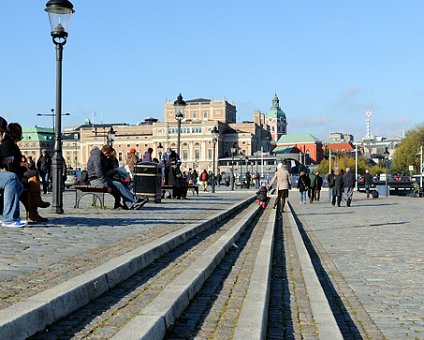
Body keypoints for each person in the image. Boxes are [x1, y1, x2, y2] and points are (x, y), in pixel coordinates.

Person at [1, 122, 50, 222]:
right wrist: (22, 167)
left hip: (14, 172)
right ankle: (34, 208)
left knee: (31, 180)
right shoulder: (8, 144)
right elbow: (8, 163)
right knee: (33, 175)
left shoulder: (11, 144)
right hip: (12, 173)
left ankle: (34, 210)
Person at [87, 145, 147, 210]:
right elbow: (99, 173)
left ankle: (130, 204)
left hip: (99, 179)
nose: (108, 157)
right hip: (96, 181)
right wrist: (107, 186)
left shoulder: (100, 156)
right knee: (119, 185)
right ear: (106, 152)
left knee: (120, 183)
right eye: (109, 155)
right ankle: (135, 200)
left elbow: (103, 172)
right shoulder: (97, 157)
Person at [0, 117, 27, 227]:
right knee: (11, 178)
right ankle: (9, 219)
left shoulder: (4, 144)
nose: (2, 136)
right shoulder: (7, 144)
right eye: (2, 132)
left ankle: (9, 215)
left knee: (18, 185)